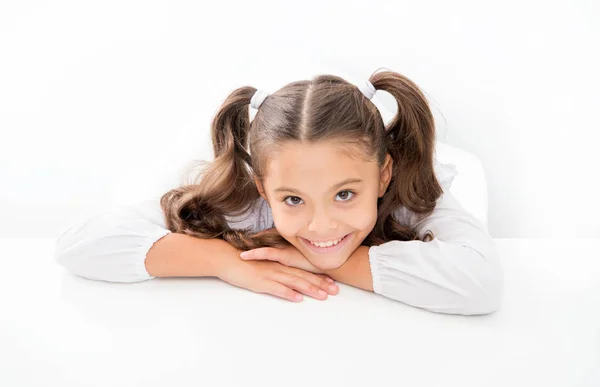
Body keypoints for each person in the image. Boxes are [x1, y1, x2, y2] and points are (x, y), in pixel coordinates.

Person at [54, 69, 503, 315]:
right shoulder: (246, 205)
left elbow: (480, 284)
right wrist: (224, 263)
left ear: (383, 175)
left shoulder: (412, 195)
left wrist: (322, 260)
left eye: (345, 194)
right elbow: (79, 244)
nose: (321, 224)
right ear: (262, 188)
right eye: (293, 200)